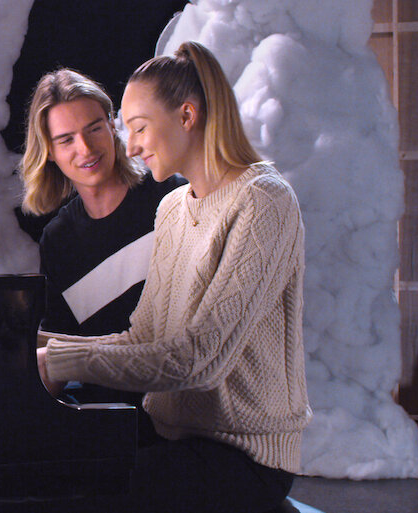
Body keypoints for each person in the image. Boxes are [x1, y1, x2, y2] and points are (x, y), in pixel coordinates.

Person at [36, 42, 311, 513]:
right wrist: (41, 347)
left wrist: (58, 360)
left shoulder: (264, 200)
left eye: (139, 127)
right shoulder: (173, 209)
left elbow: (197, 358)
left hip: (244, 456)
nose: (130, 146)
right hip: (173, 437)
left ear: (187, 116)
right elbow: (143, 335)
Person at [19, 69, 184, 431]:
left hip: (184, 417)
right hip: (110, 425)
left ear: (112, 125)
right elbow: (63, 353)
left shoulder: (173, 197)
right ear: (49, 151)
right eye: (66, 139)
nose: (86, 149)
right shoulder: (58, 241)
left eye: (94, 128)